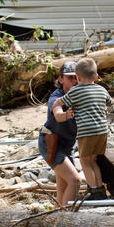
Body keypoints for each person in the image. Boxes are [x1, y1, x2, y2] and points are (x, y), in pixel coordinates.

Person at [53, 57, 112, 200]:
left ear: (77, 77)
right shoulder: (101, 89)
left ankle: (94, 191)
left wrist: (58, 109)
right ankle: (100, 190)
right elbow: (108, 103)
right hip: (102, 132)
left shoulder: (76, 91)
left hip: (87, 132)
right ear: (96, 77)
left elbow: (59, 102)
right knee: (93, 160)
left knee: (85, 161)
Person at [38, 61, 82, 207]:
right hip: (51, 144)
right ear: (61, 79)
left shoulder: (83, 95)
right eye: (70, 78)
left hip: (67, 146)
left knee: (63, 190)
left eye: (76, 77)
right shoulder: (56, 96)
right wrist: (65, 114)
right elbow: (57, 112)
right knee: (75, 181)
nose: (74, 81)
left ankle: (55, 221)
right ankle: (66, 220)